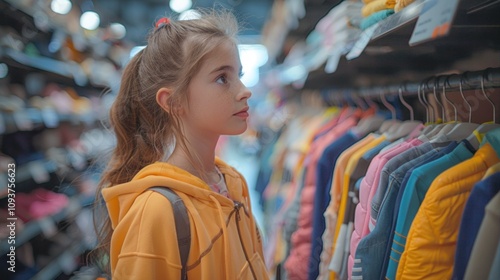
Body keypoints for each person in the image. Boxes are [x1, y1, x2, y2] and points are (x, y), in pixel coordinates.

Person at [92, 10, 269, 279]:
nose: (244, 90)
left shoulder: (233, 183)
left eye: (239, 75)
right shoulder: (155, 211)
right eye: (223, 78)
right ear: (172, 102)